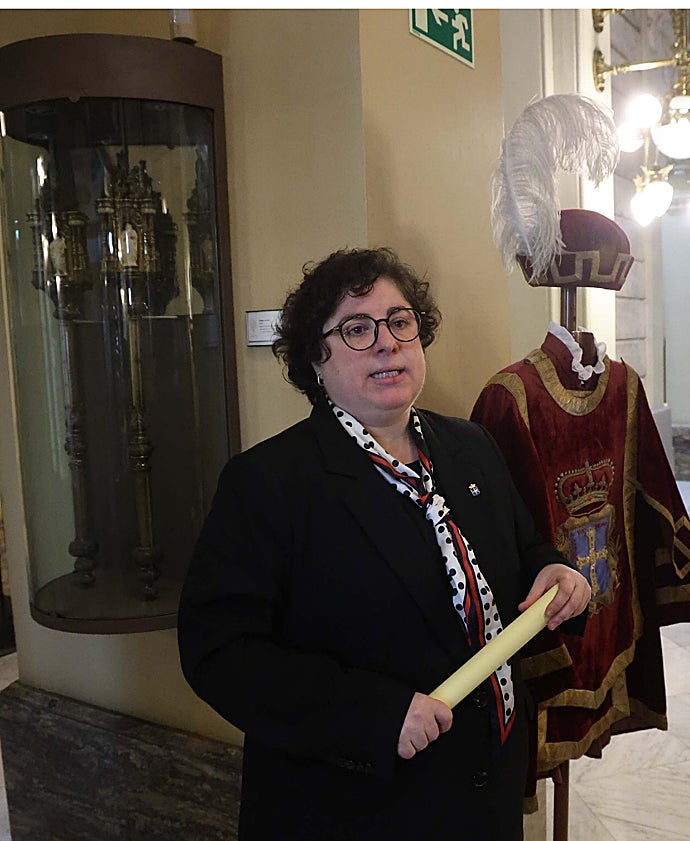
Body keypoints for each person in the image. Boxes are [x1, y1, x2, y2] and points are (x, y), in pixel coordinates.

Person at [178, 247, 591, 841]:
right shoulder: (268, 483)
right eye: (355, 328)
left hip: (486, 786)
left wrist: (553, 570)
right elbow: (219, 655)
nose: (386, 342)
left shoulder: (471, 446)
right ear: (313, 359)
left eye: (400, 322)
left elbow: (521, 547)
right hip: (359, 805)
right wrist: (373, 715)